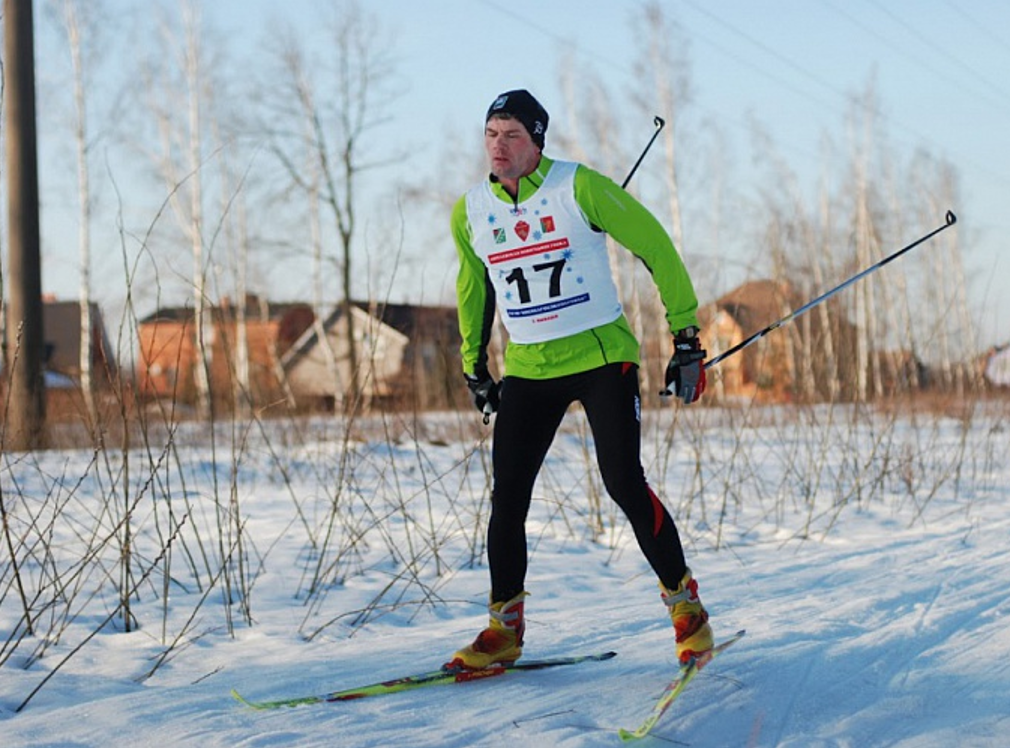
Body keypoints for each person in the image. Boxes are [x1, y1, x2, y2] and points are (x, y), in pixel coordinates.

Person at [447, 88, 713, 671]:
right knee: (507, 499)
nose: (499, 145)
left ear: (536, 140)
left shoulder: (579, 187)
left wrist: (686, 336)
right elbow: (474, 289)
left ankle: (686, 608)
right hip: (529, 366)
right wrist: (474, 364)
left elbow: (655, 246)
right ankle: (504, 629)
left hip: (600, 358)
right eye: (491, 134)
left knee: (622, 481)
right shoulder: (471, 212)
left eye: (512, 134)